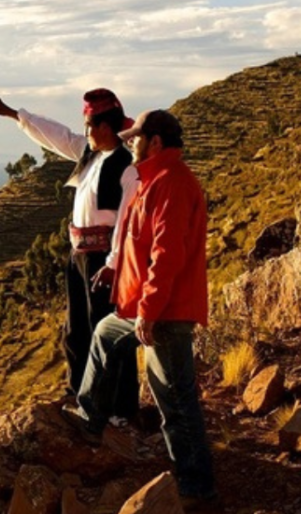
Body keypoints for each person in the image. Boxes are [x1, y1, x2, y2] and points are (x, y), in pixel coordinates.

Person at [62, 110, 217, 508]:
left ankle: (196, 485)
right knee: (103, 336)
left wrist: (148, 310)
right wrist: (114, 271)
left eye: (136, 138)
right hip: (140, 306)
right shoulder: (151, 181)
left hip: (162, 311)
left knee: (175, 398)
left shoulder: (172, 184)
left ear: (156, 142)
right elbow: (136, 245)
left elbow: (166, 256)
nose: (129, 142)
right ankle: (90, 418)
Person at [0, 88, 140, 418]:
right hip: (79, 257)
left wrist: (114, 263)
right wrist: (18, 116)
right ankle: (80, 394)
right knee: (77, 331)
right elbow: (57, 135)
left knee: (108, 332)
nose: (84, 132)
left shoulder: (127, 167)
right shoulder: (89, 153)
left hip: (106, 261)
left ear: (104, 126)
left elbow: (127, 222)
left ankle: (120, 408)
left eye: (88, 125)